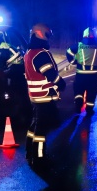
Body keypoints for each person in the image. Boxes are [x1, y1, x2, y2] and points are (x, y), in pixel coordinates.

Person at [24, 23, 66, 166]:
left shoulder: (30, 53)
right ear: (40, 34)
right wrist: (61, 83)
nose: (49, 38)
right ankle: (39, 157)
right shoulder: (40, 54)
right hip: (44, 95)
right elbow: (50, 74)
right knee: (42, 129)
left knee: (35, 125)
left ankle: (29, 152)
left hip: (35, 96)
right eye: (47, 34)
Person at [66, 27, 97, 115]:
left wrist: (73, 62)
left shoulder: (78, 46)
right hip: (94, 75)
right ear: (93, 36)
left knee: (78, 91)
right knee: (92, 92)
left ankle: (78, 107)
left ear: (84, 35)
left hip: (81, 74)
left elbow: (68, 52)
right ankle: (89, 110)